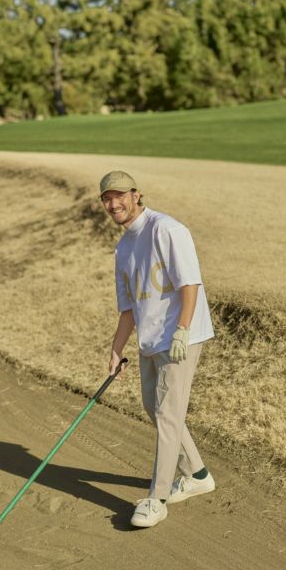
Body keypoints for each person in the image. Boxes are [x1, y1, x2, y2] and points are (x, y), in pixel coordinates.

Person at [100, 170, 216, 528]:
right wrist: (117, 348)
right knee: (155, 408)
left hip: (181, 336)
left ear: (136, 195)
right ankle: (197, 475)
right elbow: (129, 307)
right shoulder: (123, 248)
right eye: (106, 198)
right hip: (150, 339)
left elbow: (189, 283)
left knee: (167, 414)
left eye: (120, 195)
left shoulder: (166, 229)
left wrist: (182, 330)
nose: (113, 203)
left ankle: (158, 497)